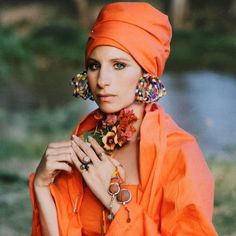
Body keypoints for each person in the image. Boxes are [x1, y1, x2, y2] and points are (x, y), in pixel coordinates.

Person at [29, 2, 218, 235]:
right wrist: (41, 185)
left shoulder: (178, 153)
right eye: (94, 65)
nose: (102, 80)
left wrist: (113, 201)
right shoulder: (87, 138)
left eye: (119, 65)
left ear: (146, 73)